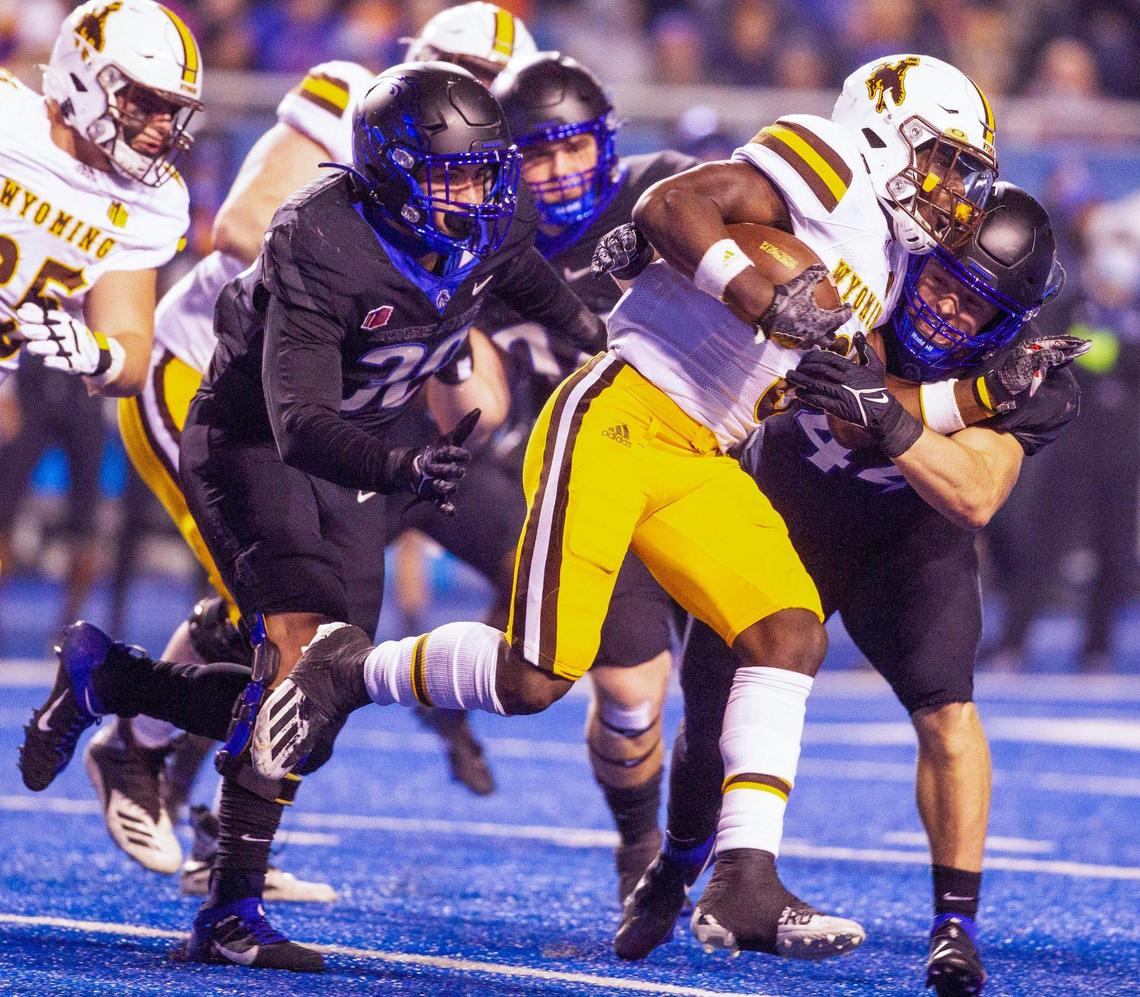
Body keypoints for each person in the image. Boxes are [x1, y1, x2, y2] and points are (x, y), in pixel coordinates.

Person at [243, 53, 999, 962]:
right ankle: (346, 670)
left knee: (788, 632)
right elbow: (670, 206)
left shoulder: (884, 251)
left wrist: (983, 396)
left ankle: (742, 881)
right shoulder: (831, 164)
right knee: (535, 679)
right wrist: (760, 297)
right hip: (621, 415)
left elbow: (833, 382)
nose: (952, 189)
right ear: (887, 133)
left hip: (705, 450)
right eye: (943, 161)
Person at [20, 61, 604, 973]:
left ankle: (113, 681)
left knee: (321, 702)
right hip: (259, 441)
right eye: (451, 172)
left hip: (361, 442)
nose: (476, 190)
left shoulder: (490, 209)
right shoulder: (319, 236)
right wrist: (401, 463)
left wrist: (592, 330)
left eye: (484, 169)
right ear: (392, 173)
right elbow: (296, 423)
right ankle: (229, 906)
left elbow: (519, 265)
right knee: (301, 661)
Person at [82, 0, 533, 891]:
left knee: (320, 631)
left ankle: (194, 795)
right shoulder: (352, 102)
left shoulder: (467, 178)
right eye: (463, 74)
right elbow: (245, 227)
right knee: (286, 621)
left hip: (339, 406)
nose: (472, 102)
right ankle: (136, 738)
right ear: (421, 60)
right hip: (214, 375)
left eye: (492, 88)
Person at [614, 185, 1085, 997]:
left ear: (1008, 326)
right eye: (941, 280)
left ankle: (955, 927)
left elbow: (973, 493)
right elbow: (840, 408)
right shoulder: (867, 273)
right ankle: (681, 857)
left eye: (972, 306)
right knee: (710, 716)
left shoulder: (1033, 380)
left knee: (950, 712)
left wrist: (905, 419)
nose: (942, 308)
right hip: (789, 508)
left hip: (912, 541)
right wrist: (961, 401)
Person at [390, 50, 701, 903]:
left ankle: (743, 867)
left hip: (715, 468)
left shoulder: (671, 192)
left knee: (754, 667)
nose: (561, 171)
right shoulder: (481, 245)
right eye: (539, 153)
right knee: (635, 697)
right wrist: (445, 335)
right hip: (599, 474)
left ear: (606, 143)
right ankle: (641, 847)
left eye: (574, 148)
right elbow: (472, 410)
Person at [0, 0, 202, 627]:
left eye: (173, 109)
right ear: (86, 76)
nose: (159, 125)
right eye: (144, 99)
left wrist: (100, 353)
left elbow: (131, 347)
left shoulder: (149, 200)